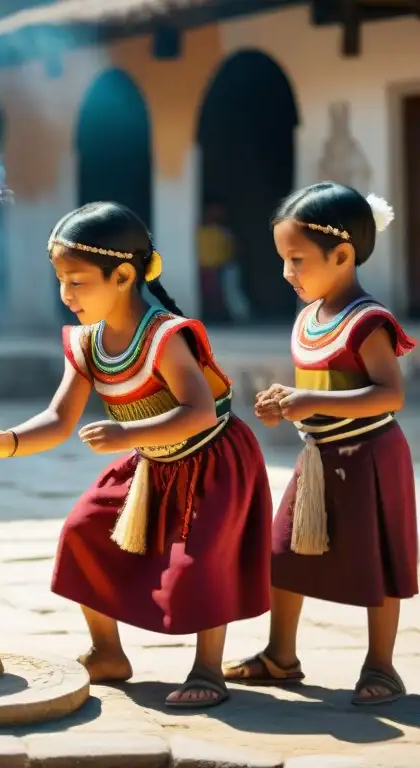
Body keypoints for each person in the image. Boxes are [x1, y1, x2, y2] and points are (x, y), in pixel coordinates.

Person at [0, 202, 271, 708]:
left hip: (211, 460)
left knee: (200, 561)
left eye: (78, 281)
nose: (66, 295)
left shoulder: (166, 336)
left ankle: (207, 669)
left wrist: (128, 432)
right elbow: (60, 418)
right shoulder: (86, 344)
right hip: (151, 462)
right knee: (83, 532)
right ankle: (107, 651)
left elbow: (200, 413)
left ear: (123, 275)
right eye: (60, 280)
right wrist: (11, 440)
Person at [224, 183, 416, 705]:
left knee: (377, 562)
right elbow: (316, 386)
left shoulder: (367, 320)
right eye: (284, 260)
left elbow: (390, 394)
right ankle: (280, 656)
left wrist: (308, 400)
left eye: (297, 260)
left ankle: (381, 667)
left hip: (370, 456)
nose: (288, 273)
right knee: (283, 553)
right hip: (318, 457)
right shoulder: (310, 315)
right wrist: (283, 402)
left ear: (343, 255)